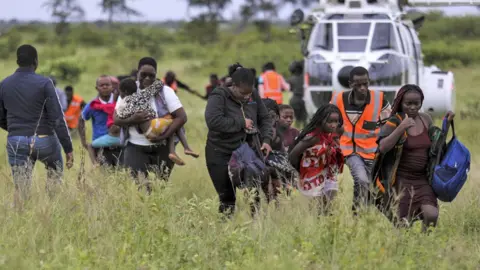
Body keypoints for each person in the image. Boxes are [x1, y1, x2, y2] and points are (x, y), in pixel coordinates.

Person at [0, 44, 74, 208]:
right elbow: (57, 118)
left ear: (17, 60)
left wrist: (15, 129)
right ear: (35, 61)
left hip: (16, 140)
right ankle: (52, 207)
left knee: (21, 187)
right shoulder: (45, 83)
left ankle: (20, 216)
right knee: (55, 170)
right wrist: (68, 148)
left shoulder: (4, 84)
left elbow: (1, 117)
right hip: (44, 140)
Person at [375, 84, 455, 230]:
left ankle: (423, 245)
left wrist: (447, 125)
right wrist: (401, 128)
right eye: (408, 103)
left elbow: (437, 145)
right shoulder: (395, 120)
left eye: (416, 103)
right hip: (401, 180)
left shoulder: (426, 119)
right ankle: (406, 249)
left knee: (431, 215)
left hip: (422, 179)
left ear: (421, 103)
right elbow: (382, 147)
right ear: (401, 103)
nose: (412, 107)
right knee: (403, 225)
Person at [205, 66, 273, 217]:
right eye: (243, 93)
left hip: (246, 150)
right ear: (233, 86)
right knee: (227, 197)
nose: (246, 97)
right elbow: (213, 121)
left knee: (254, 190)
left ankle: (256, 224)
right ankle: (226, 230)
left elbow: (265, 118)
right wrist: (241, 123)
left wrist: (267, 140)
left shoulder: (252, 94)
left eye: (249, 93)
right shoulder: (219, 96)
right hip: (219, 151)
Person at [114, 57, 187, 189]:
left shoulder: (165, 91)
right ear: (137, 73)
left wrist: (163, 137)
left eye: (151, 75)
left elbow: (181, 117)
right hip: (135, 147)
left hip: (162, 147)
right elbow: (117, 119)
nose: (147, 78)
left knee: (161, 186)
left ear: (156, 75)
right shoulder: (129, 88)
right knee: (141, 186)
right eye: (143, 75)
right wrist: (133, 119)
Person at [330, 66, 391, 215]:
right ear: (350, 84)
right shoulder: (338, 99)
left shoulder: (380, 99)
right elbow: (327, 122)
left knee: (375, 188)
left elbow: (389, 126)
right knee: (362, 180)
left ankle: (367, 216)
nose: (363, 88)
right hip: (349, 150)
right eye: (358, 85)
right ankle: (356, 215)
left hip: (373, 152)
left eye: (365, 83)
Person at [115, 78, 198, 166]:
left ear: (124, 91)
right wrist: (157, 80)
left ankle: (176, 152)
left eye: (120, 92)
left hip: (147, 133)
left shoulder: (125, 103)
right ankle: (183, 148)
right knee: (175, 122)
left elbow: (120, 116)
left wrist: (132, 118)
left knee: (170, 123)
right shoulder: (143, 95)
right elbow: (157, 86)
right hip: (154, 127)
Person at [289, 104, 344, 214]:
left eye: (336, 121)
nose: (333, 125)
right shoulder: (312, 137)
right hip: (311, 174)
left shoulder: (334, 132)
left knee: (329, 203)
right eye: (330, 121)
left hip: (328, 171)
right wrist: (299, 172)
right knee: (316, 207)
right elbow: (293, 155)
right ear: (321, 120)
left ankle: (326, 224)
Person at [79, 75, 123, 167]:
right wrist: (83, 141)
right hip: (100, 146)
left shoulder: (120, 101)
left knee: (123, 171)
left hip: (119, 144)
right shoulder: (93, 105)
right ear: (97, 88)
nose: (105, 87)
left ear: (112, 87)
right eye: (101, 85)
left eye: (107, 84)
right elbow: (81, 119)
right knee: (105, 174)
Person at [287, 60, 307, 128]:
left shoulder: (291, 79)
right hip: (305, 100)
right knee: (305, 120)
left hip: (294, 100)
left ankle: (296, 133)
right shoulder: (306, 78)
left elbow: (290, 90)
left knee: (297, 120)